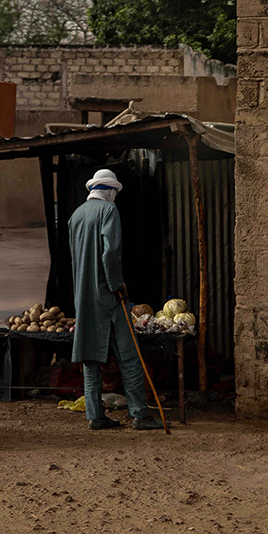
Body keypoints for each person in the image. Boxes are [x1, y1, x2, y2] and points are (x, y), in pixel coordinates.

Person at [67, 169, 163, 431]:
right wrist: (117, 285)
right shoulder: (108, 212)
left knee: (90, 357)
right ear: (110, 191)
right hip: (108, 296)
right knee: (128, 354)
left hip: (83, 296)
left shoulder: (75, 216)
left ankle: (95, 415)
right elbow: (111, 254)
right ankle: (140, 414)